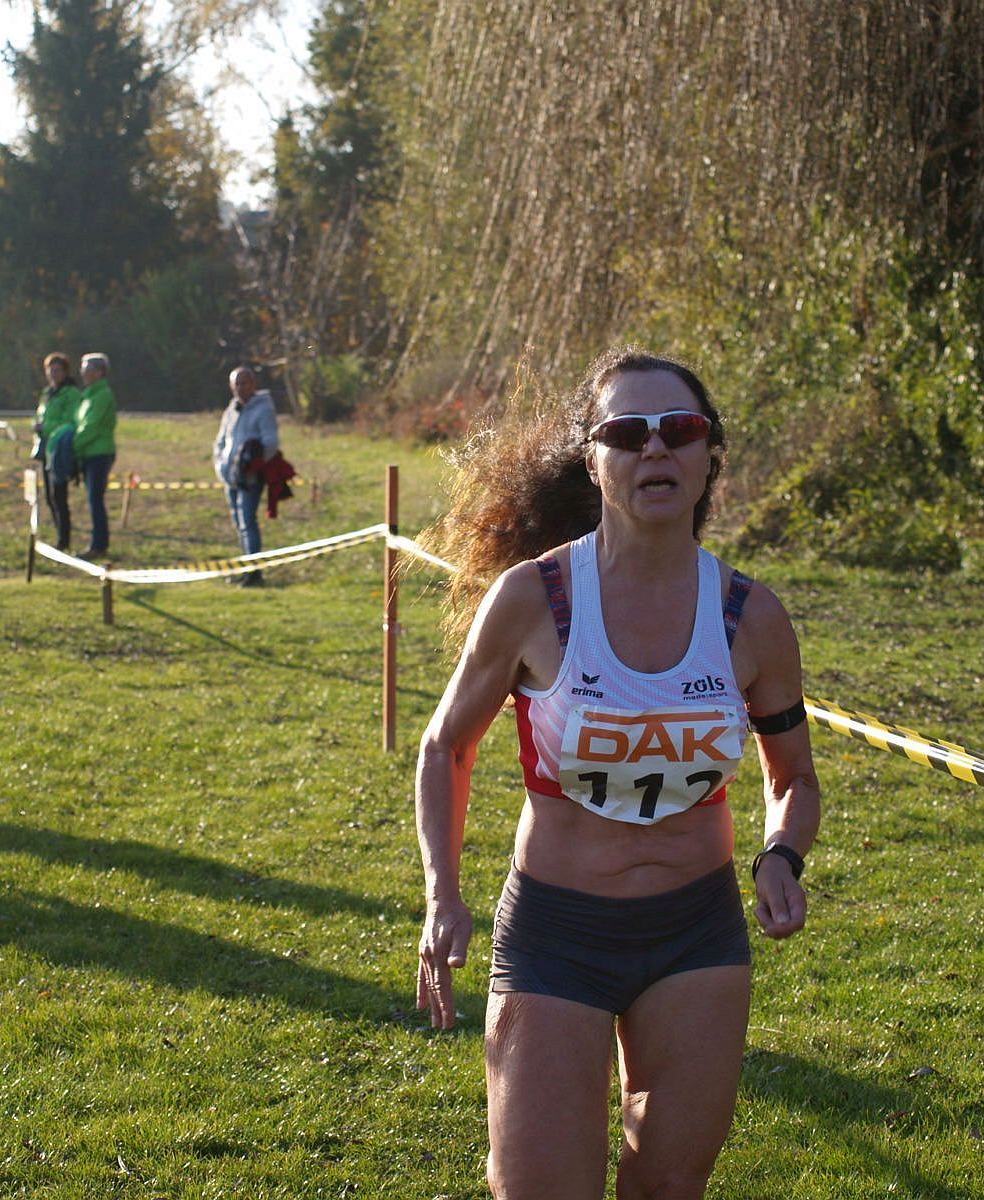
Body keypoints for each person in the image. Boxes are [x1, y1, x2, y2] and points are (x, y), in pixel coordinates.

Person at [415, 348, 821, 1199]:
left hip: (696, 935)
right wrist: (442, 895)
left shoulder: (752, 617)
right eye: (628, 433)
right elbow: (446, 747)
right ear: (593, 460)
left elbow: (792, 781)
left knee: (667, 1190)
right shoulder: (534, 600)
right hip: (555, 934)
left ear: (709, 455)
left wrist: (781, 856)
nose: (656, 448)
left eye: (680, 429)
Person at [212, 365, 280, 587]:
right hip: (230, 477)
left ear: (253, 384)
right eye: (237, 384)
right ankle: (245, 568)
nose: (240, 388)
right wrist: (221, 465)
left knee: (248, 521)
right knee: (238, 523)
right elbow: (220, 441)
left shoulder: (264, 409)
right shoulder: (231, 410)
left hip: (250, 479)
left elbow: (271, 443)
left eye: (244, 383)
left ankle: (254, 572)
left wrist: (254, 467)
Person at [32, 352, 82, 551]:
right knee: (50, 497)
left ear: (65, 372)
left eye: (57, 370)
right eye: (50, 370)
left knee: (59, 495)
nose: (53, 373)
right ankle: (60, 534)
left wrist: (45, 427)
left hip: (61, 447)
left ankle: (64, 539)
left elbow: (70, 421)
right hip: (47, 448)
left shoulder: (71, 393)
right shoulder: (47, 393)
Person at [72, 352, 118, 559]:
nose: (84, 374)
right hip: (88, 453)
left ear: (100, 372)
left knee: (95, 499)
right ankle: (97, 543)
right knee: (93, 500)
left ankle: (99, 545)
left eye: (88, 370)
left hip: (100, 453)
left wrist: (72, 446)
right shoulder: (87, 396)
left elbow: (92, 427)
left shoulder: (102, 395)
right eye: (83, 369)